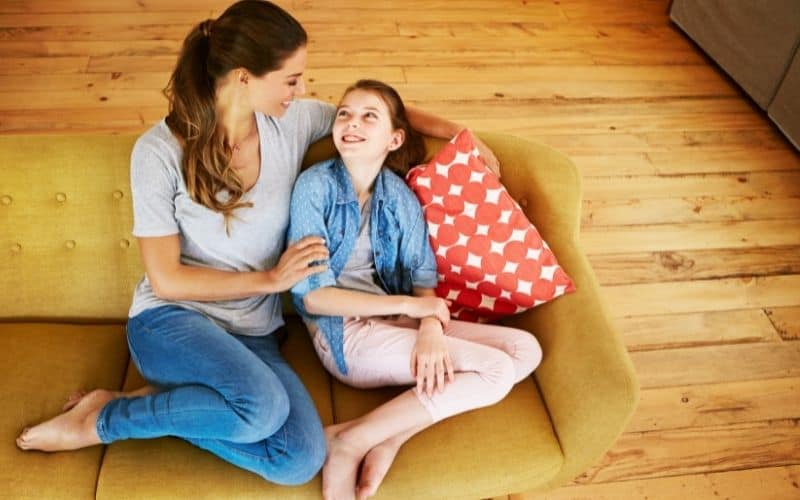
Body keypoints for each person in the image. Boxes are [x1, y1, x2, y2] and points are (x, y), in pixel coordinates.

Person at [15, 0, 499, 486]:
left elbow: (379, 116)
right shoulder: (158, 153)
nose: (302, 89)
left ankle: (167, 403)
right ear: (244, 77)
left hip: (253, 335)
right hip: (171, 323)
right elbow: (167, 278)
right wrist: (269, 279)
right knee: (262, 409)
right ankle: (104, 421)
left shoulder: (290, 122)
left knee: (299, 459)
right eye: (290, 79)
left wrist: (460, 134)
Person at [287, 80, 543, 500]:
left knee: (525, 351)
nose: (352, 122)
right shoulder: (316, 188)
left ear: (395, 138)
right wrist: (417, 311)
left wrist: (430, 330)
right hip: (344, 336)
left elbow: (424, 278)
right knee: (495, 372)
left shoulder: (400, 196)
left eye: (369, 116)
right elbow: (314, 296)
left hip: (399, 324)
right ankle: (351, 444)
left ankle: (384, 437)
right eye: (344, 114)